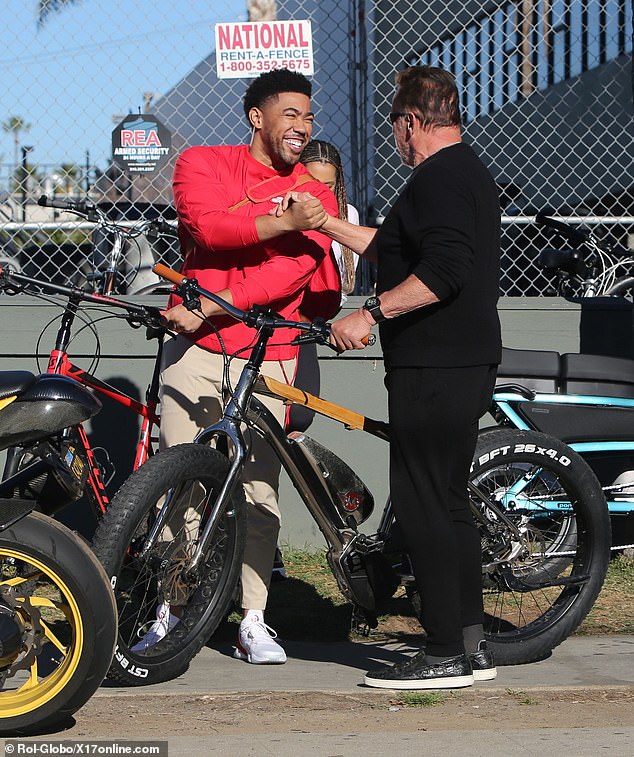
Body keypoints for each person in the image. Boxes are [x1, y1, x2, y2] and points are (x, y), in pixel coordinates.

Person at [276, 65, 502, 689]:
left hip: (437, 365)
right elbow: (397, 248)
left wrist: (369, 313)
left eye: (396, 127)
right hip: (457, 362)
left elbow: (445, 271)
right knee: (447, 501)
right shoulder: (461, 174)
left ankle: (444, 651)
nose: (395, 140)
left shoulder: (439, 180)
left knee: (425, 502)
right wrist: (325, 223)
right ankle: (469, 642)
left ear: (410, 123)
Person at [143, 70, 339, 665]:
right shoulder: (201, 162)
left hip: (269, 357)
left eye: (308, 116)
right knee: (178, 487)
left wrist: (208, 306)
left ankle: (253, 618)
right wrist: (282, 222)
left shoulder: (318, 192)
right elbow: (210, 227)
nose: (302, 127)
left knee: (259, 494)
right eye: (290, 114)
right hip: (196, 359)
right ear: (257, 117)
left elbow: (293, 272)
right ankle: (169, 612)